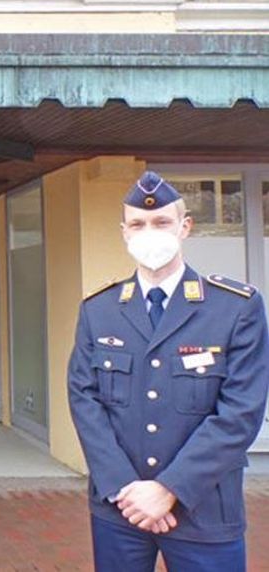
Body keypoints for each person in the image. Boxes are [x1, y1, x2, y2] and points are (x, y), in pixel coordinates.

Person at [68, 171, 269, 571]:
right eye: (138, 224)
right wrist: (127, 489)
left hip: (206, 508)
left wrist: (168, 489)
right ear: (124, 232)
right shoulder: (99, 309)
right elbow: (84, 401)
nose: (150, 232)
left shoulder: (235, 307)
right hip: (119, 509)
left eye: (161, 221)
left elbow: (240, 413)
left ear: (184, 226)